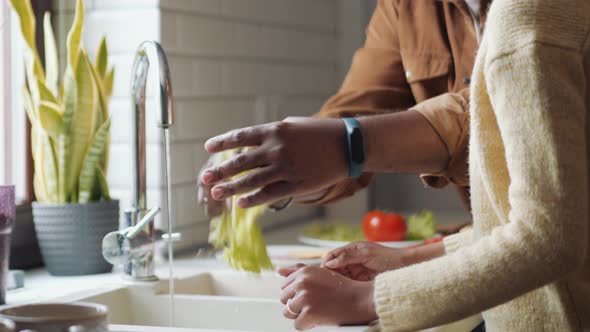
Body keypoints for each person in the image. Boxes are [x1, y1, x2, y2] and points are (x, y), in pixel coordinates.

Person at [204, 0, 590, 331]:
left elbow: (548, 235)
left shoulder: (527, 17)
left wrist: (370, 299)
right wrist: (407, 260)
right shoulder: (410, 7)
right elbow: (544, 217)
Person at [198, 0, 490, 219]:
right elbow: (356, 109)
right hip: (495, 246)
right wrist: (277, 173)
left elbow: (499, 110)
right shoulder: (404, 5)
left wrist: (348, 144)